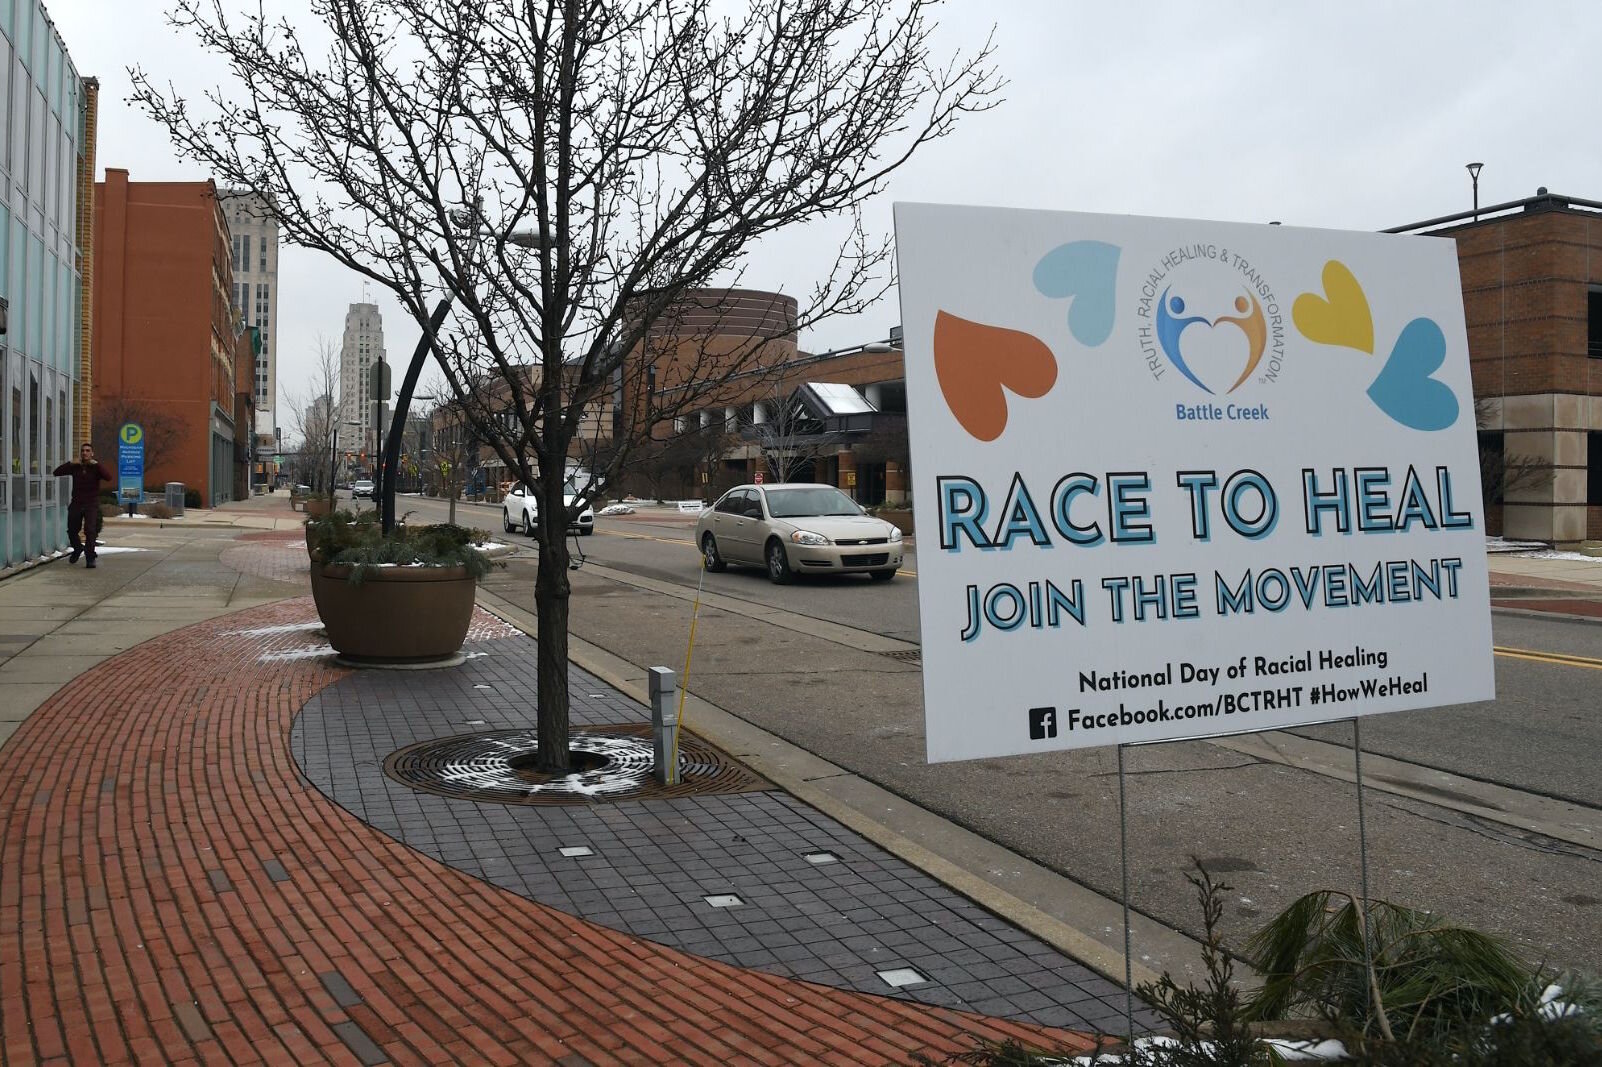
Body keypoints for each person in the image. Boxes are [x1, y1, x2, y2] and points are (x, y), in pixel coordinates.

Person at [52, 443, 113, 568]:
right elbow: (56, 472)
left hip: (91, 503)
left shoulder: (96, 468)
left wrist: (97, 464)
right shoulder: (75, 467)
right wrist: (70, 463)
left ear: (92, 453)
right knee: (72, 530)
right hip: (77, 503)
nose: (84, 453)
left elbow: (108, 477)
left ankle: (90, 557)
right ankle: (78, 548)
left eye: (87, 451)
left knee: (90, 530)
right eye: (83, 451)